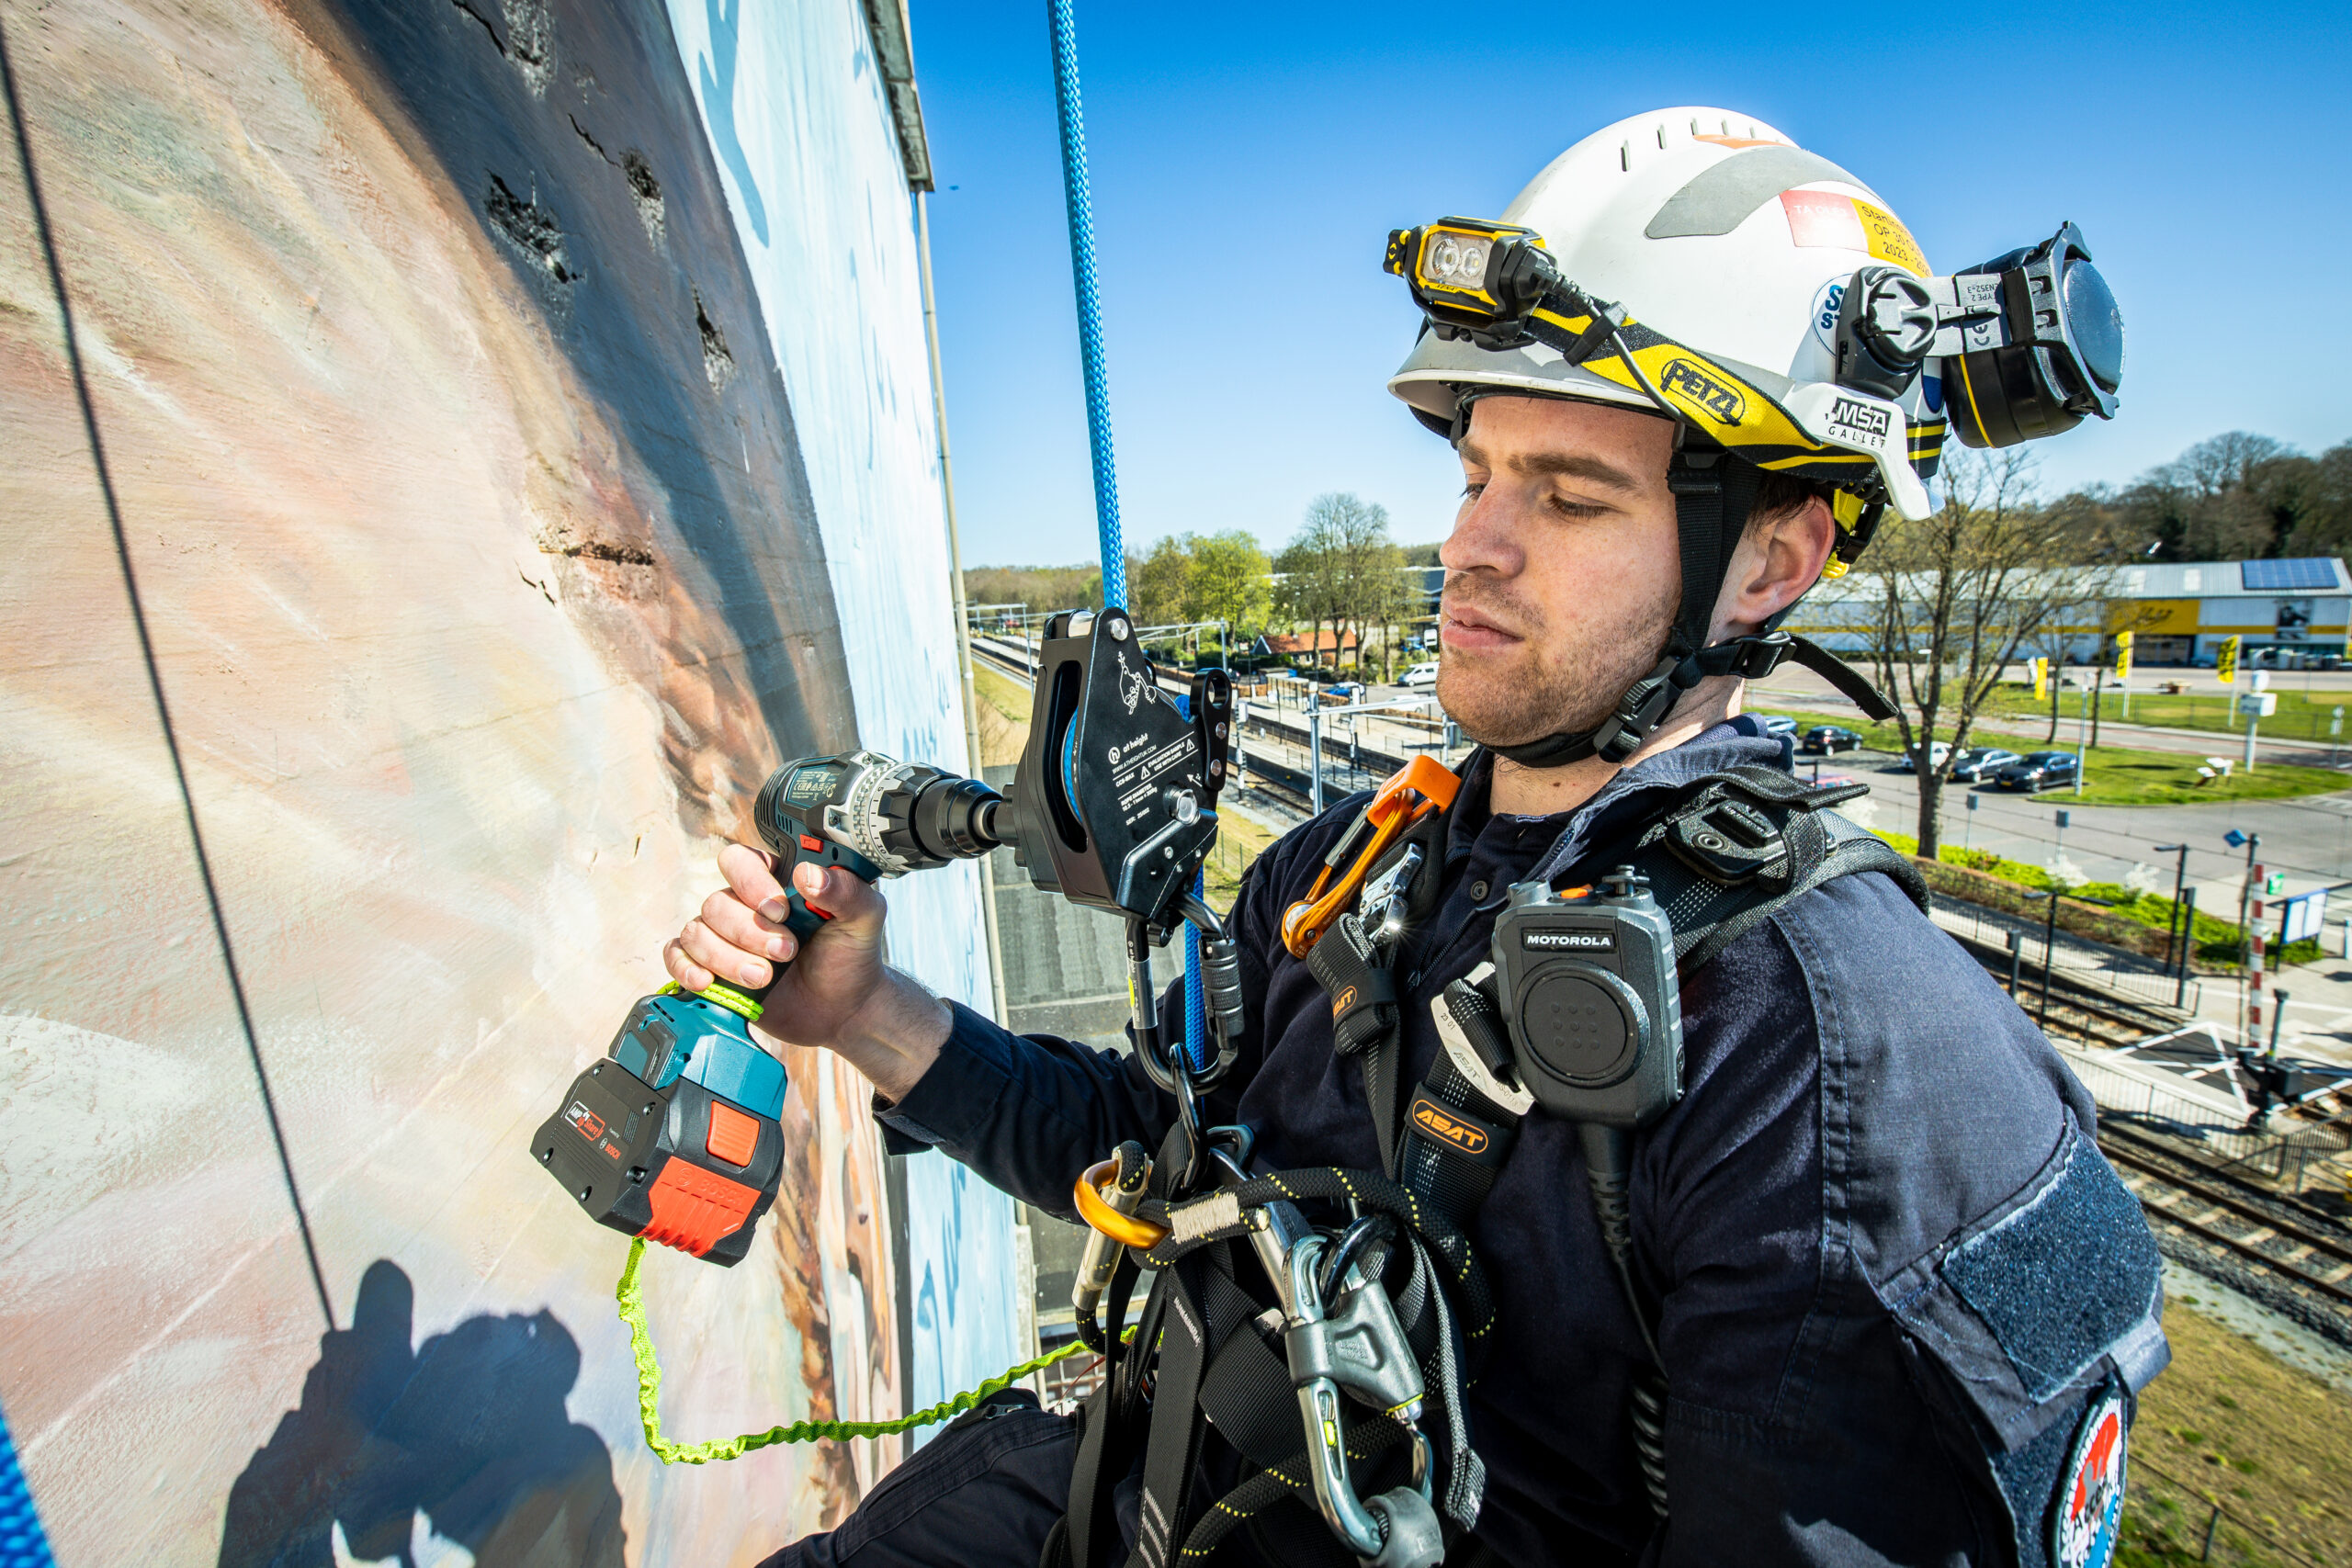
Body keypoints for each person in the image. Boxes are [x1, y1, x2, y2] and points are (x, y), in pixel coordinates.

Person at [667, 108, 2163, 1568]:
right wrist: (863, 1011)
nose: (1470, 546)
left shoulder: (1849, 1069)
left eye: (1569, 497)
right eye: (1475, 475)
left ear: (1769, 560)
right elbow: (1153, 1162)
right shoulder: (1352, 870)